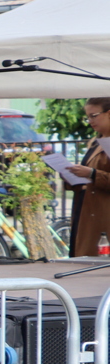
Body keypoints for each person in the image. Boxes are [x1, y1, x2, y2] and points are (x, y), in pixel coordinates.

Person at [66, 95, 110, 257]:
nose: (90, 121)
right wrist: (72, 176)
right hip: (86, 209)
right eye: (87, 117)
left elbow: (94, 173)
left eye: (94, 116)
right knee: (82, 254)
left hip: (103, 212)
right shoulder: (95, 141)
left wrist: (91, 173)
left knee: (97, 258)